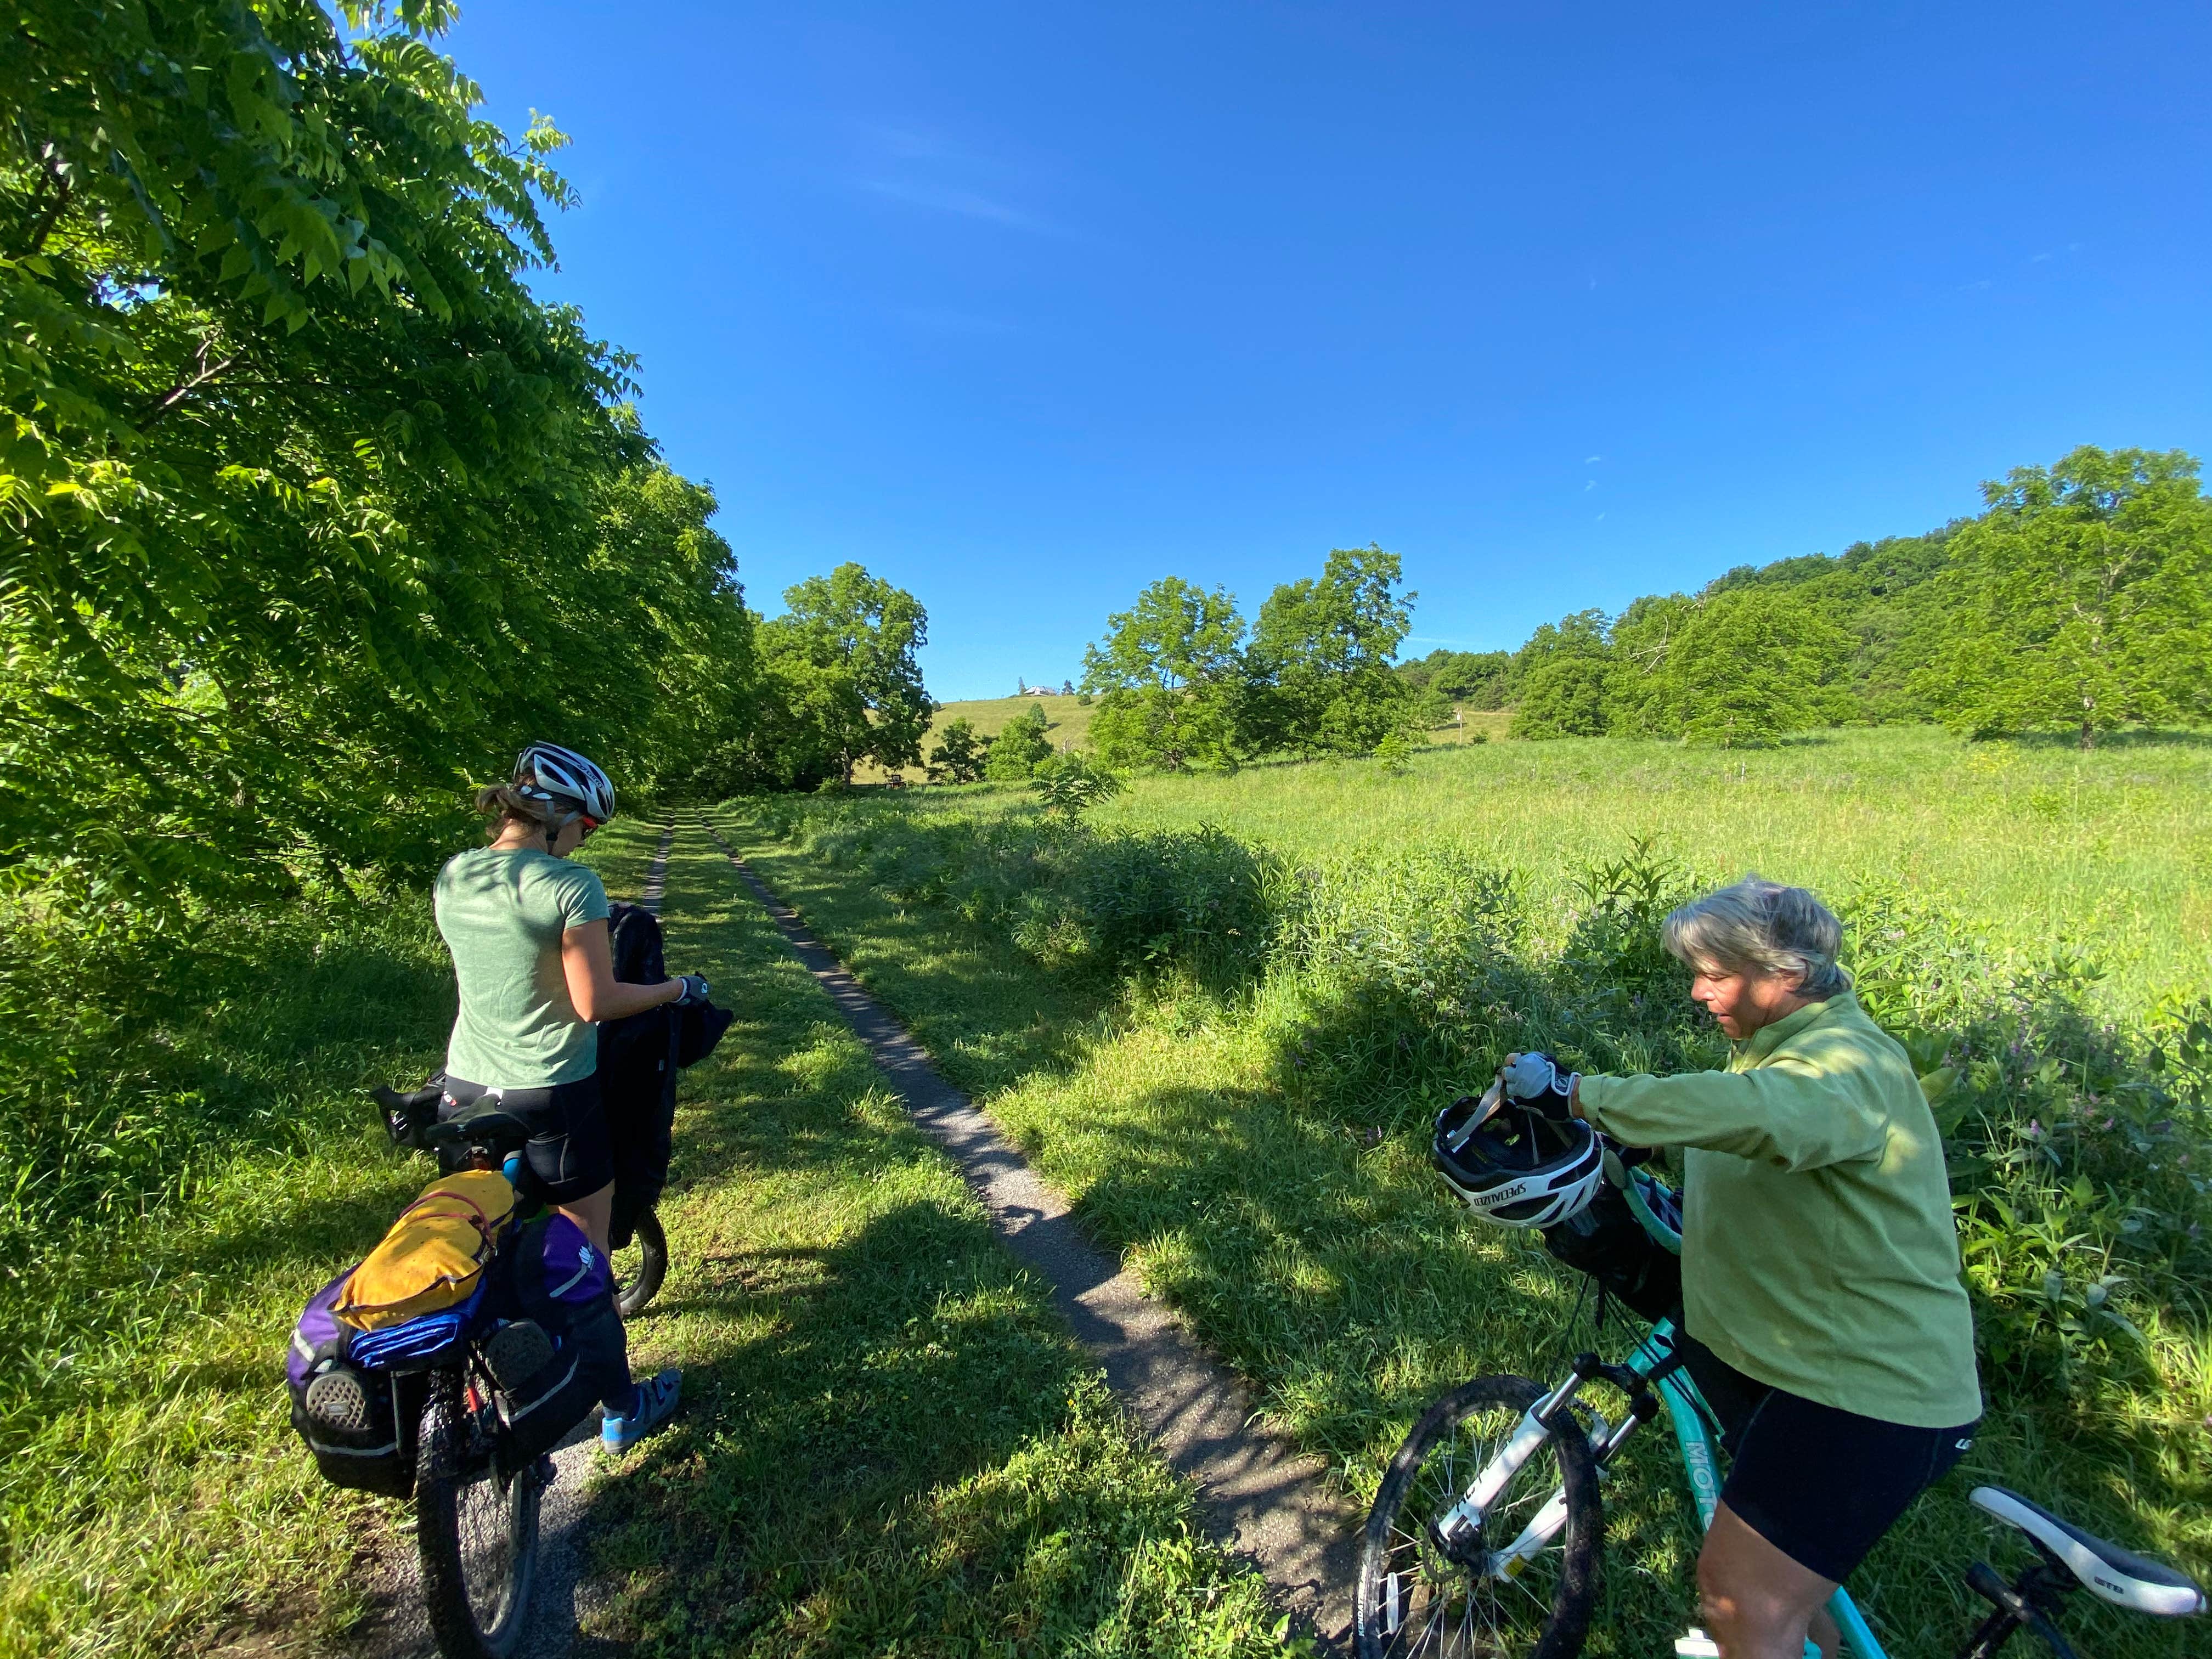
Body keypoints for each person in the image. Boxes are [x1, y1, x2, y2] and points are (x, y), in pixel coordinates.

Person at [1498, 876, 1980, 1659]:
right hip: (1800, 1360)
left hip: (1869, 1388)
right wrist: (1641, 1143)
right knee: (1786, 1607)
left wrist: (1579, 1096)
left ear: (1783, 972)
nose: (1698, 990)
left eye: (1715, 974)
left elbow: (1760, 1116)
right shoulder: (1778, 1053)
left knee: (1739, 1603)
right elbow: (1751, 1137)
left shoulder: (1848, 1065)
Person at [434, 741, 703, 1452]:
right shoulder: (569, 885)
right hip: (551, 1093)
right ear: (558, 817)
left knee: (481, 1241)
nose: (589, 839)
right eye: (588, 826)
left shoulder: (456, 874)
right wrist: (678, 990)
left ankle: (475, 1373)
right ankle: (621, 1409)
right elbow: (597, 1000)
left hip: (463, 1091)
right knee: (583, 1251)